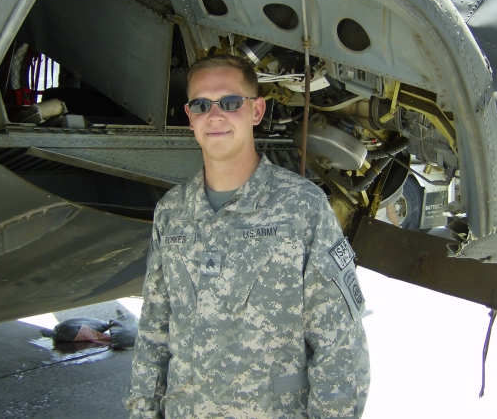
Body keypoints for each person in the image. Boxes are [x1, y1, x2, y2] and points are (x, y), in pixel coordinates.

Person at [125, 54, 370, 418]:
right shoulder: (172, 212)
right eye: (201, 105)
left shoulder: (301, 207)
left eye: (230, 102)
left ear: (256, 111)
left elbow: (340, 345)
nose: (215, 115)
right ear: (190, 115)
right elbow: (153, 333)